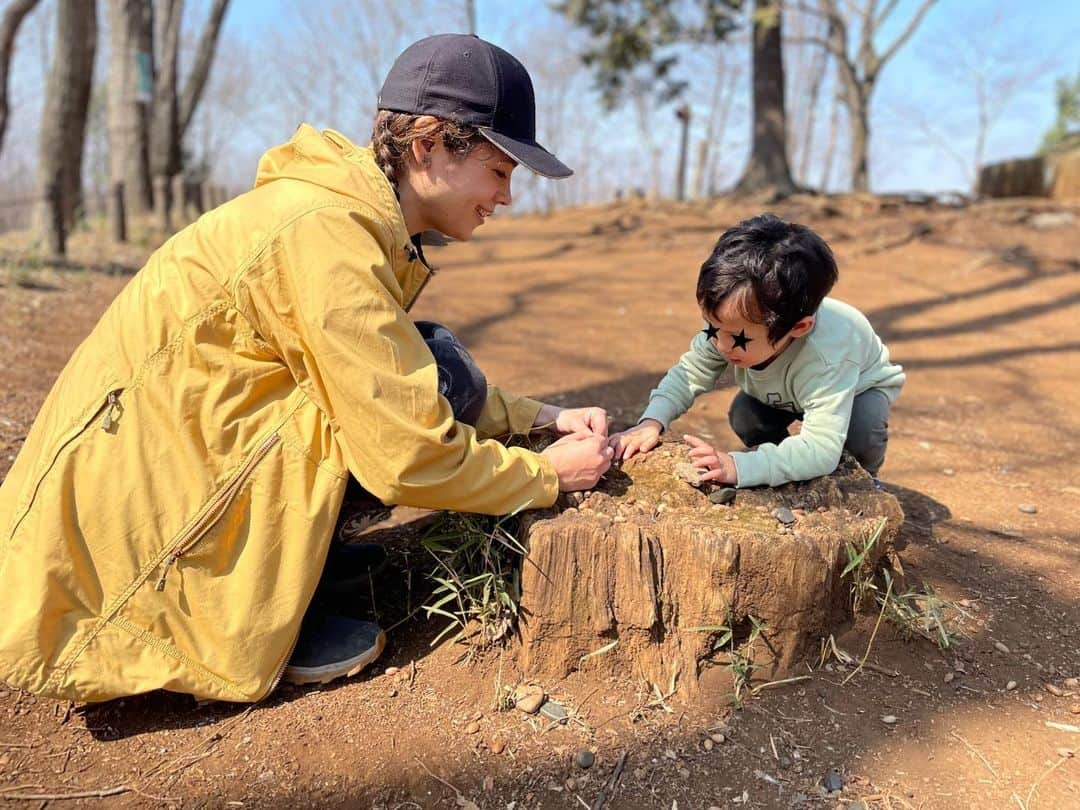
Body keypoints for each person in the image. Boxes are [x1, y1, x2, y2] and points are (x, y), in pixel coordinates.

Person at [0, 34, 613, 704]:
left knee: (435, 364)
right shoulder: (327, 236)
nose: (507, 197)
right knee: (432, 382)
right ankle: (246, 615)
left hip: (165, 477)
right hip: (118, 574)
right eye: (500, 172)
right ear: (429, 146)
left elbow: (391, 372)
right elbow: (406, 454)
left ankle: (300, 567)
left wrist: (539, 417)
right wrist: (543, 476)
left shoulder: (340, 216)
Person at [609, 214, 904, 488]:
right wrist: (652, 421)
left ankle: (865, 480)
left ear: (798, 328)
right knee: (746, 416)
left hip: (854, 391)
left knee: (862, 433)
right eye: (712, 325)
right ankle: (786, 462)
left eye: (737, 337)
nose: (721, 345)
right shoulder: (733, 327)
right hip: (784, 390)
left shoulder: (828, 356)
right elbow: (689, 374)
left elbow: (821, 448)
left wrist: (742, 467)